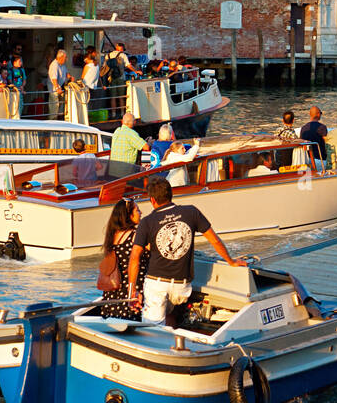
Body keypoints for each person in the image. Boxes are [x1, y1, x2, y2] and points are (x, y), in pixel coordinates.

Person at [127, 177, 246, 326]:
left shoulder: (147, 222)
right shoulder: (191, 212)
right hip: (181, 287)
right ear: (171, 194)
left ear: (152, 200)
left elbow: (134, 258)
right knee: (171, 315)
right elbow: (214, 240)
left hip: (156, 285)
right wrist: (231, 261)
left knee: (152, 328)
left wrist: (132, 291)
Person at [97, 200, 145, 320]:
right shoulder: (135, 236)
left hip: (112, 292)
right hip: (131, 289)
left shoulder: (112, 236)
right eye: (137, 210)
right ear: (128, 215)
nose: (141, 212)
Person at [109, 112, 147, 178]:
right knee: (142, 175)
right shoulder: (131, 133)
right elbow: (146, 147)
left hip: (113, 171)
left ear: (122, 122)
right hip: (125, 172)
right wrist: (149, 142)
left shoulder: (117, 131)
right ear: (134, 122)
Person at [47, 49, 69, 118]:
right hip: (54, 89)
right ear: (61, 57)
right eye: (65, 57)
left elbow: (66, 73)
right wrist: (57, 88)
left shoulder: (62, 65)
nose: (66, 59)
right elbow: (54, 78)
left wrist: (69, 76)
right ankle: (52, 122)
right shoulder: (54, 65)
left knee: (60, 106)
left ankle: (58, 119)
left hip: (60, 88)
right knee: (54, 107)